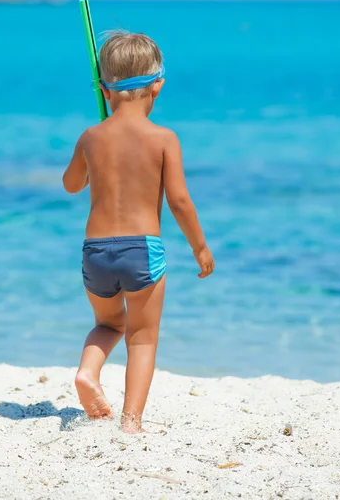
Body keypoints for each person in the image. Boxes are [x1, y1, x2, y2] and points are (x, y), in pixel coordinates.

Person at [63, 31, 214, 433]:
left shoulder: (91, 137)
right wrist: (200, 248)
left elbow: (71, 184)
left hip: (94, 251)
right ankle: (131, 423)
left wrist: (93, 149)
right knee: (142, 338)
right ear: (157, 85)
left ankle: (87, 372)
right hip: (141, 250)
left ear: (103, 88)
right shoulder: (164, 139)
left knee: (108, 324)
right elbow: (180, 202)